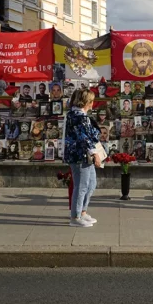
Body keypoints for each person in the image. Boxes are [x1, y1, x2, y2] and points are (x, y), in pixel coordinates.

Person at [64, 89, 103, 227]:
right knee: (81, 186)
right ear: (86, 102)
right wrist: (95, 154)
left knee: (91, 184)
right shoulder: (78, 116)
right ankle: (75, 217)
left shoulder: (78, 115)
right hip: (79, 156)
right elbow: (84, 138)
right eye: (91, 101)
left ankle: (83, 212)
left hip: (82, 155)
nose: (93, 104)